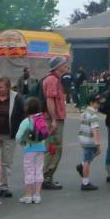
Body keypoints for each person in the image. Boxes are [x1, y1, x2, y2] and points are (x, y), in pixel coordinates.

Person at [0, 77, 24, 198]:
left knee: (6, 162)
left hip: (9, 135)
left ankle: (4, 187)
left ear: (8, 87)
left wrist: (20, 130)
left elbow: (23, 114)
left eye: (2, 87)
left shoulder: (17, 98)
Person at [41, 56, 69, 190]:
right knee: (53, 148)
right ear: (57, 66)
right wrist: (53, 119)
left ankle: (47, 176)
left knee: (52, 147)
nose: (66, 66)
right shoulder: (52, 80)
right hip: (54, 118)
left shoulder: (54, 79)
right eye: (64, 64)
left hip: (55, 117)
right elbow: (50, 100)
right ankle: (46, 177)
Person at [75, 94, 102, 191]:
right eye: (97, 102)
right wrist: (98, 144)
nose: (99, 104)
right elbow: (95, 130)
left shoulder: (84, 112)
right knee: (87, 161)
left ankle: (81, 165)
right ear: (91, 103)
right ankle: (85, 182)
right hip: (90, 141)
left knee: (89, 157)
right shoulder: (93, 115)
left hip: (83, 138)